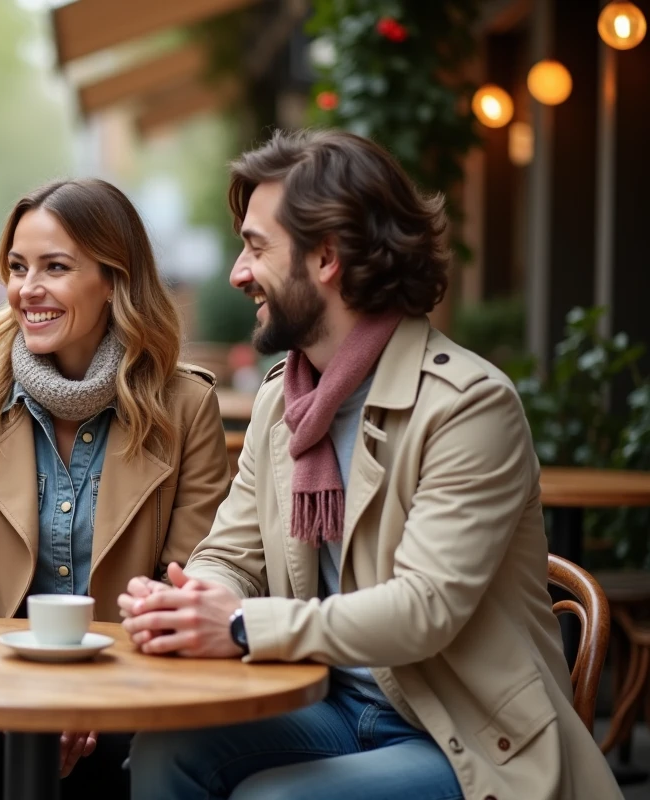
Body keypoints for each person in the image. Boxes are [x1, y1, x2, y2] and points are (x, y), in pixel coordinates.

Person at [120, 129, 620, 800]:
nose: (239, 272)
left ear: (328, 257)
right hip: (329, 704)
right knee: (166, 750)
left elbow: (425, 608)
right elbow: (232, 553)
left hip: (463, 734)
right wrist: (189, 599)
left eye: (257, 247)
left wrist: (241, 626)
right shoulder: (283, 400)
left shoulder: (468, 405)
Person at [0, 179, 232, 800]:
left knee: (139, 756)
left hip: (131, 684)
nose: (28, 289)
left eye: (55, 267)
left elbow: (190, 583)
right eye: (18, 267)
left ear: (114, 279)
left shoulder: (187, 406)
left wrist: (90, 692)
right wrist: (22, 687)